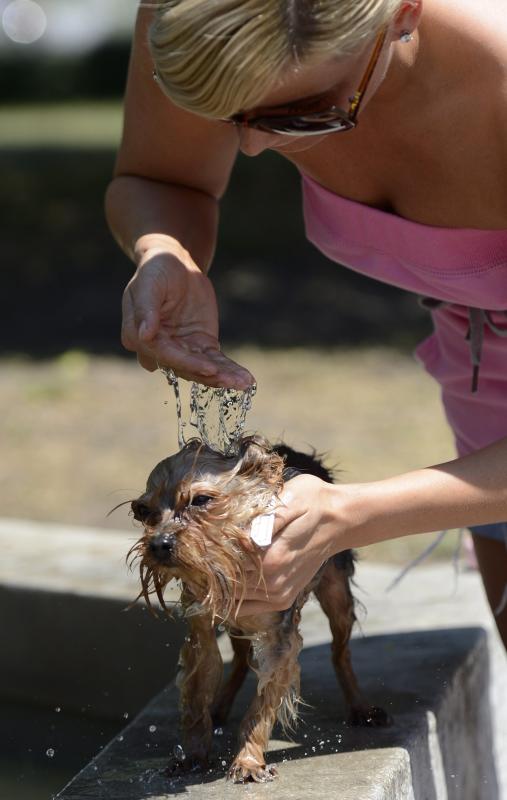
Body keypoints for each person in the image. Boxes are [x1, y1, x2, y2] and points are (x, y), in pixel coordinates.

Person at [106, 0, 507, 647]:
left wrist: (350, 513)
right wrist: (168, 253)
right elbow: (160, 175)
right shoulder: (195, 14)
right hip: (482, 392)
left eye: (303, 114)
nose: (251, 146)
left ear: (402, 13)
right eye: (223, 113)